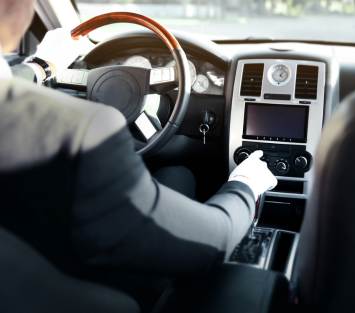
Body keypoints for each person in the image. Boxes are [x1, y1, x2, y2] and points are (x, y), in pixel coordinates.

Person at [0, 0, 277, 297]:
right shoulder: (90, 131)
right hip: (102, 297)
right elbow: (214, 241)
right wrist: (247, 185)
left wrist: (42, 66)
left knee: (177, 172)